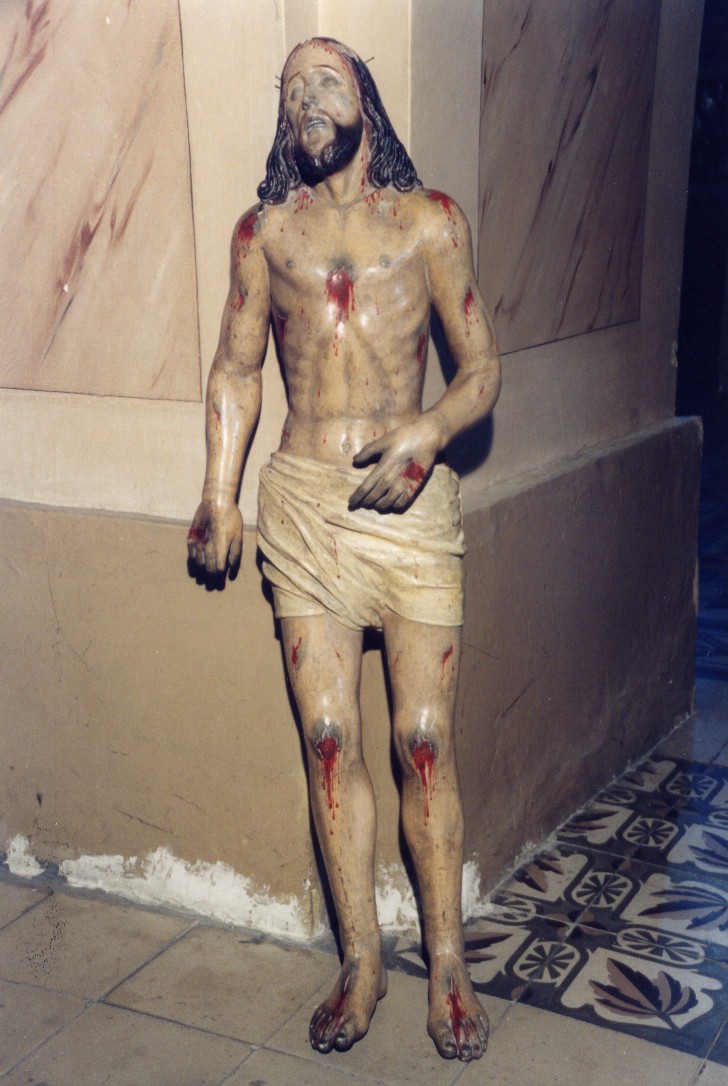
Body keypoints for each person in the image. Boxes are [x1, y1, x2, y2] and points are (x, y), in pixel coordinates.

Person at [188, 37, 500, 1062]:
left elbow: (479, 369)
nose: (305, 102)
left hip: (409, 507)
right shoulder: (264, 234)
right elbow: (237, 371)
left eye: (325, 83)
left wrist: (425, 434)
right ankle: (361, 960)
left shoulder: (428, 223)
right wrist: (217, 496)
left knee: (420, 739)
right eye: (290, 91)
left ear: (364, 100)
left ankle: (445, 959)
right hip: (304, 505)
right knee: (328, 740)